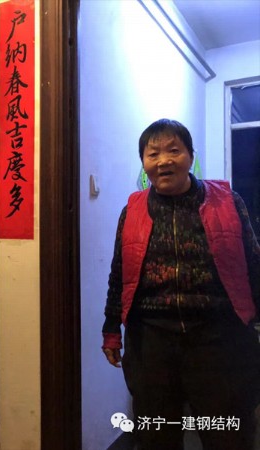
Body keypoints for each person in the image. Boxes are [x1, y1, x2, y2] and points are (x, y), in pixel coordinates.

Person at [101, 118, 260, 449]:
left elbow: (253, 263)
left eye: (174, 150)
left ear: (191, 156)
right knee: (156, 433)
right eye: (153, 153)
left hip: (218, 338)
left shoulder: (228, 202)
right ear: (144, 162)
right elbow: (120, 272)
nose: (163, 161)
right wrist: (111, 329)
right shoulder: (132, 210)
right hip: (151, 341)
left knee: (227, 432)